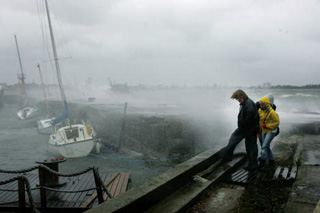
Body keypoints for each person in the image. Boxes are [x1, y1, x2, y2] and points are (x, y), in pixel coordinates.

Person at [221, 89, 260, 171]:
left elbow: (249, 118)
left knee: (234, 140)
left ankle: (226, 157)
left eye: (237, 98)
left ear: (242, 96)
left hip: (247, 128)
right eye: (236, 99)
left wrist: (242, 127)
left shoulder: (248, 104)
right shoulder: (246, 103)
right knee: (251, 146)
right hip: (250, 128)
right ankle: (253, 165)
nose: (237, 100)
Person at [258, 96, 280, 169]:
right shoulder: (260, 111)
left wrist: (267, 125)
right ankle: (271, 161)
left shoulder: (272, 113)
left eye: (262, 104)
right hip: (264, 131)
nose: (261, 105)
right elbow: (259, 121)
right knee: (266, 146)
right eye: (260, 104)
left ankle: (262, 162)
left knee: (264, 146)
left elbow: (277, 122)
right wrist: (259, 131)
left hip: (271, 131)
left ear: (267, 104)